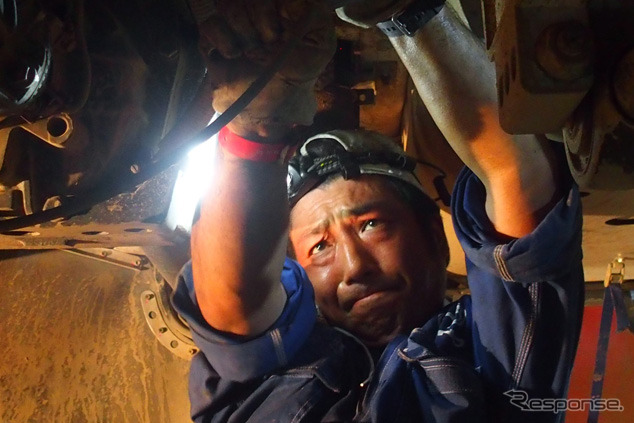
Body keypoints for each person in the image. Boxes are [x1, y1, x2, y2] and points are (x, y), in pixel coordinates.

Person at [172, 0, 585, 421]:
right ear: (293, 274)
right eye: (319, 248)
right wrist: (256, 123)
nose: (354, 267)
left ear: (433, 237)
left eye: (371, 225)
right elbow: (239, 306)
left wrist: (407, 12)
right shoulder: (280, 352)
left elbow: (518, 179)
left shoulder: (489, 346)